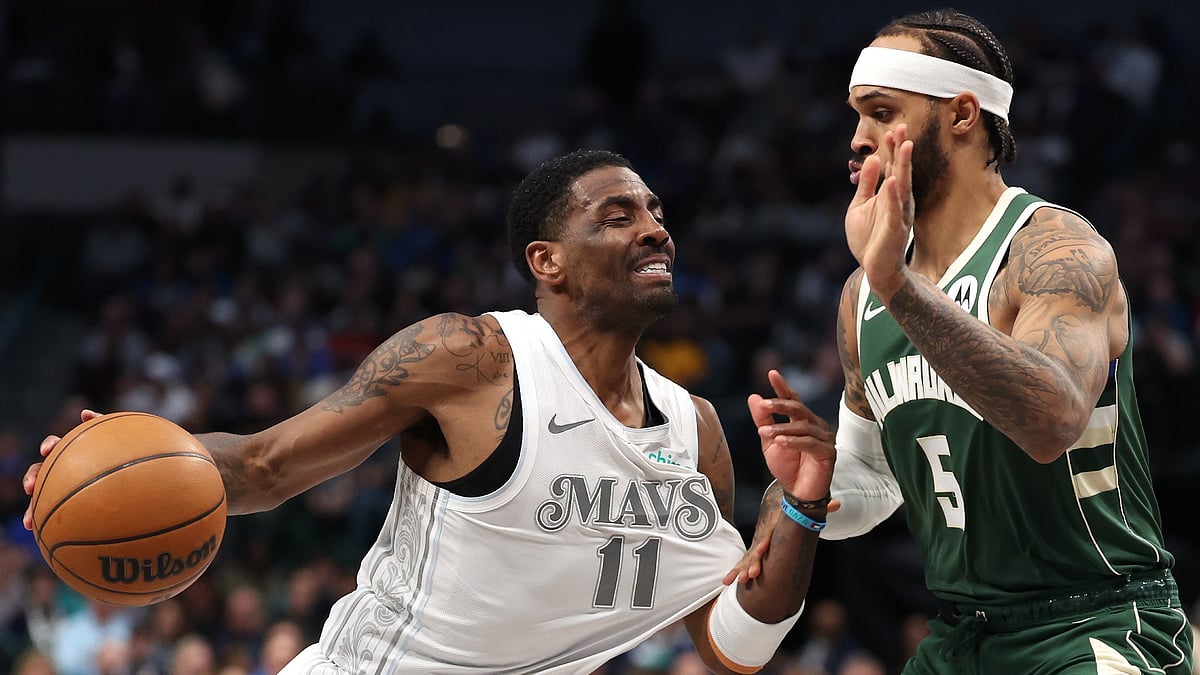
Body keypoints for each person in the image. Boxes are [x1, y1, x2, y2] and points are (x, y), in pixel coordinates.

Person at [25, 149, 835, 674]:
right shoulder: (473, 358)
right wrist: (122, 459)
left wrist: (797, 508)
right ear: (545, 262)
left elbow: (734, 644)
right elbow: (264, 464)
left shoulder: (694, 431)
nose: (656, 229)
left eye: (657, 212)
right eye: (619, 216)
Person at [731, 8, 1194, 674]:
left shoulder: (1052, 250)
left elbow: (1052, 421)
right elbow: (873, 484)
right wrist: (809, 493)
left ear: (961, 115)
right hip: (963, 639)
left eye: (883, 111)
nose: (859, 140)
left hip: (1096, 622)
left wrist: (898, 287)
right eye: (857, 115)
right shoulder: (864, 295)